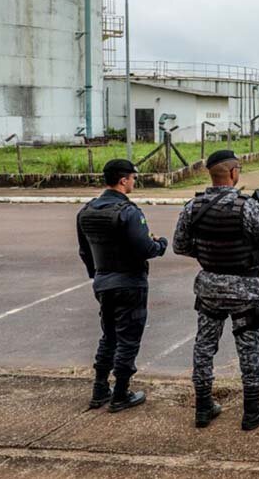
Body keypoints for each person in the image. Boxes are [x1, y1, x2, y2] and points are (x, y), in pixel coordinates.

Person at [173, 150, 259, 431]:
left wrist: (210, 256)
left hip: (209, 288)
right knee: (249, 350)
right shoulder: (246, 207)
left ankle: (203, 408)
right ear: (233, 173)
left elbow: (179, 246)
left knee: (204, 347)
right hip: (243, 290)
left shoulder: (193, 206)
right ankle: (252, 411)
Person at [77, 159, 168, 413]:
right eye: (133, 178)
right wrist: (161, 244)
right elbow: (146, 248)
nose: (134, 182)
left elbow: (85, 251)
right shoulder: (128, 212)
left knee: (109, 336)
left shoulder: (86, 211)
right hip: (129, 282)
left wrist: (97, 276)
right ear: (123, 180)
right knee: (128, 339)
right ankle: (120, 394)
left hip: (103, 282)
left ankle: (99, 388)